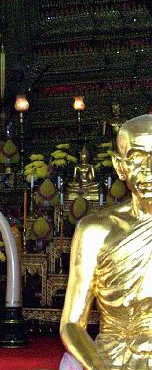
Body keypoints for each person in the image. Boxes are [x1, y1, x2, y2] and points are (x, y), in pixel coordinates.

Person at [61, 114, 152, 369]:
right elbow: (71, 323)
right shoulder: (95, 230)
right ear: (120, 166)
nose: (148, 168)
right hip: (113, 357)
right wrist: (96, 366)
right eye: (136, 158)